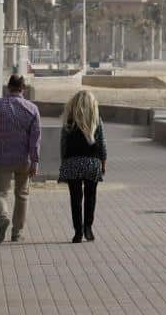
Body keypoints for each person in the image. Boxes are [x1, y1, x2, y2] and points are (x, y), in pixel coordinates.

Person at [0, 74, 41, 245]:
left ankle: (2, 217)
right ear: (23, 89)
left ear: (8, 87)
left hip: (1, 158)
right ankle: (17, 233)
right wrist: (35, 161)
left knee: (0, 193)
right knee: (22, 195)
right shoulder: (32, 109)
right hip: (24, 159)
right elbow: (35, 139)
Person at [59, 90, 107, 243]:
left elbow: (63, 145)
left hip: (72, 163)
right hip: (92, 163)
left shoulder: (69, 120)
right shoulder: (96, 120)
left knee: (75, 198)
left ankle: (78, 231)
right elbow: (102, 145)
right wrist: (103, 162)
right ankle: (88, 228)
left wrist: (63, 162)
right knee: (91, 196)